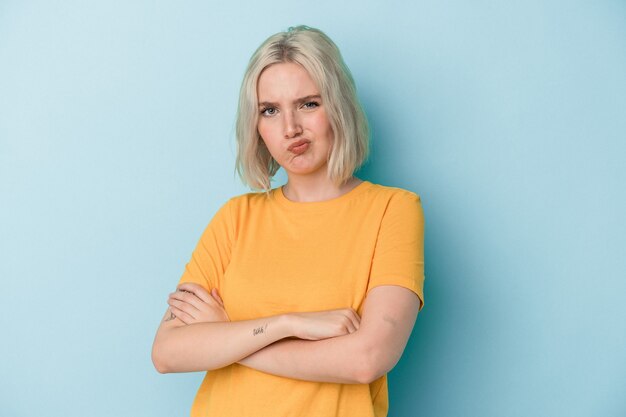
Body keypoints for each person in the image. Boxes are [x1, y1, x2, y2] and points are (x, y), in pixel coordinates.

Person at [151, 25, 425, 417]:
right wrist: (285, 324)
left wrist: (229, 336)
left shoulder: (392, 210)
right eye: (270, 110)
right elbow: (167, 351)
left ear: (339, 106)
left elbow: (366, 359)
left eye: (309, 103)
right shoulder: (236, 217)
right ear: (257, 126)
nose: (290, 128)